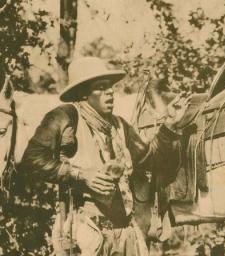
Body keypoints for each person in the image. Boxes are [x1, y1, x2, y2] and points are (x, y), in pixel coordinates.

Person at [21, 56, 189, 256]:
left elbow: (151, 161)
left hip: (125, 235)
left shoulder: (120, 126)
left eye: (110, 86)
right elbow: (32, 159)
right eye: (100, 87)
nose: (110, 91)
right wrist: (81, 175)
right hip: (86, 236)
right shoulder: (65, 116)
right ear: (83, 94)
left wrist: (170, 125)